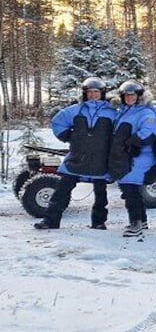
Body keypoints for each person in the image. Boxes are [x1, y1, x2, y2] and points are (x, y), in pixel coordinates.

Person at [35, 77, 117, 230]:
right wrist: (68, 136)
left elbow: (122, 129)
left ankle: (98, 222)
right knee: (62, 190)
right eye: (90, 92)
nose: (93, 95)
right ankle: (50, 220)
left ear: (102, 93)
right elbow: (57, 121)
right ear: (85, 94)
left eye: (96, 92)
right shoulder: (77, 110)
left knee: (101, 194)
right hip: (76, 158)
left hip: (101, 159)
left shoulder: (111, 113)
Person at [108, 80, 156, 238]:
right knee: (130, 188)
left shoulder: (145, 112)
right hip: (128, 155)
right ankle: (142, 220)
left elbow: (150, 131)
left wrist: (133, 142)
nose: (130, 98)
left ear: (139, 96)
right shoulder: (124, 112)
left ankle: (135, 222)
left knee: (130, 188)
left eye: (133, 95)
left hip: (141, 155)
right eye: (127, 95)